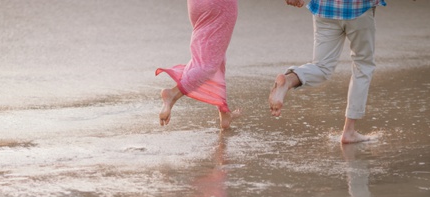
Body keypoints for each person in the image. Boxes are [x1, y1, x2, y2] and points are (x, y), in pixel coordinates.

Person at [269, 0, 388, 143]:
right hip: (359, 9)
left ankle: (288, 80)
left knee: (322, 67)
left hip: (325, 9)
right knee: (362, 66)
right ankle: (349, 131)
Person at [156, 0, 240, 129]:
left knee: (215, 54)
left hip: (197, 5)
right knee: (208, 64)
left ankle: (224, 114)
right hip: (219, 6)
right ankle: (173, 93)